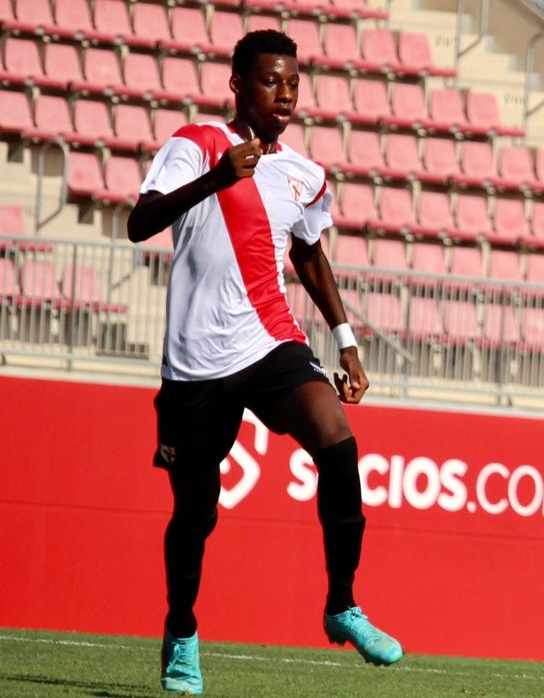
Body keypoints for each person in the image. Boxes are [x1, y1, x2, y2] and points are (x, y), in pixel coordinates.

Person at [127, 30, 402, 694]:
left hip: (269, 341)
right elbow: (140, 223)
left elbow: (309, 255)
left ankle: (342, 604)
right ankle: (183, 631)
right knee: (196, 513)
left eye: (292, 83)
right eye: (270, 81)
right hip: (195, 364)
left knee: (336, 441)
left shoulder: (306, 175)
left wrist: (346, 340)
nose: (284, 94)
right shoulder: (195, 145)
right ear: (238, 86)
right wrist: (215, 180)